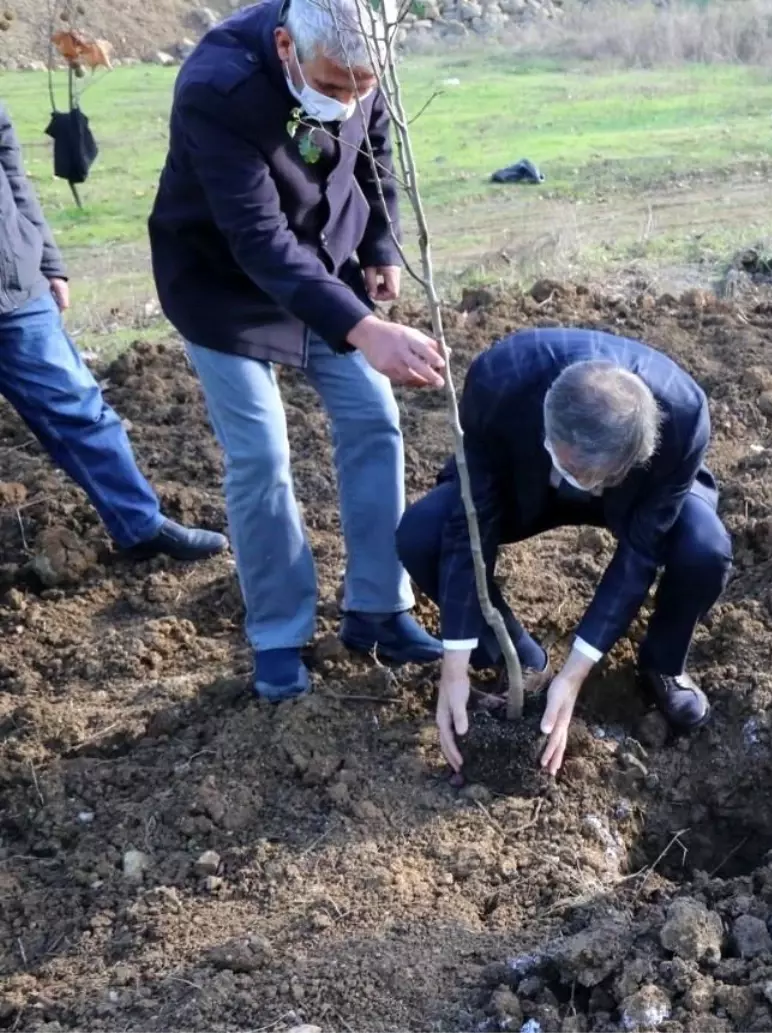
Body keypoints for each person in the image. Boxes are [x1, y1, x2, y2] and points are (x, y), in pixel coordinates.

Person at [148, 0, 446, 703]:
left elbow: (375, 147)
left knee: (375, 420)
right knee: (261, 454)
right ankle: (280, 634)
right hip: (224, 286)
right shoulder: (215, 90)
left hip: (325, 268)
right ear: (285, 45)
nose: (348, 100)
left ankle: (378, 608)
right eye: (335, 86)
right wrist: (366, 329)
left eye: (362, 86)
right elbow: (260, 243)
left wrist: (377, 242)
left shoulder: (359, 65)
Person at [395, 327, 734, 777]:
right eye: (577, 469)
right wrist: (453, 668)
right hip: (523, 481)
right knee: (423, 533)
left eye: (599, 477)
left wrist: (574, 675)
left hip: (634, 501)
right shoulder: (500, 382)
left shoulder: (684, 416)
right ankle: (515, 657)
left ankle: (662, 664)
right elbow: (468, 526)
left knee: (704, 549)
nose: (587, 486)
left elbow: (640, 553)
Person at [0, 104, 227, 564]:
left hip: (14, 286)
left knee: (79, 410)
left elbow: (13, 178)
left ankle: (140, 527)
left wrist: (48, 259)